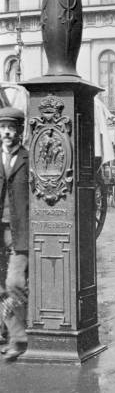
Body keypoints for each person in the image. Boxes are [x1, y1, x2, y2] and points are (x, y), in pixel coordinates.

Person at [0, 108, 29, 361]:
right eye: (3, 127)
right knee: (2, 289)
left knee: (14, 284)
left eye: (12, 127)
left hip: (20, 233)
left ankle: (18, 338)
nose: (7, 132)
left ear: (20, 130)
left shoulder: (28, 159)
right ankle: (13, 333)